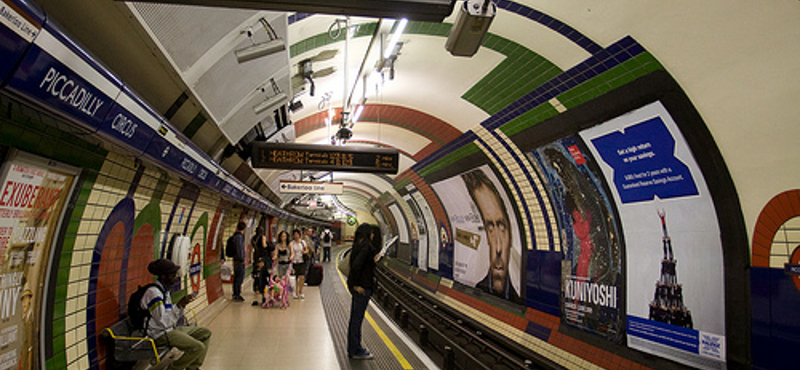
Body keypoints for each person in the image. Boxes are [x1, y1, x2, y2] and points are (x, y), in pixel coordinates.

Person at [141, 259, 211, 370]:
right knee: (198, 347)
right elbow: (163, 322)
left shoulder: (165, 291)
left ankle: (192, 367)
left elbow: (170, 316)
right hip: (160, 334)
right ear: (163, 276)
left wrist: (182, 305)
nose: (175, 277)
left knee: (205, 333)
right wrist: (178, 305)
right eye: (172, 275)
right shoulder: (154, 294)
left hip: (170, 329)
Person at [462, 169, 519, 301]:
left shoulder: (519, 299)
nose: (498, 248)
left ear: (511, 237)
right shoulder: (477, 289)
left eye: (502, 227)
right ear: (486, 236)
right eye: (490, 228)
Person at [347, 223, 381, 360]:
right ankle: (355, 350)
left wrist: (373, 260)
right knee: (357, 320)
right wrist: (355, 285)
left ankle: (354, 348)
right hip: (362, 288)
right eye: (371, 233)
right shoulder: (366, 247)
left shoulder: (358, 246)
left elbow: (359, 264)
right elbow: (356, 267)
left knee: (355, 319)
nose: (373, 235)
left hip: (359, 286)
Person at [251, 226, 274, 306]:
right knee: (263, 280)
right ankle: (264, 297)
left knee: (256, 279)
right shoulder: (262, 237)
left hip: (256, 259)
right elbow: (264, 246)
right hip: (263, 260)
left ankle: (255, 299)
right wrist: (269, 244)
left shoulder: (253, 238)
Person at [290, 229, 310, 299]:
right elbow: (291, 252)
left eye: (297, 234)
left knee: (302, 277)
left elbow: (307, 249)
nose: (296, 236)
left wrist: (305, 252)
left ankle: (301, 291)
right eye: (294, 235)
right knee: (295, 278)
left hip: (302, 261)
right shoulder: (292, 243)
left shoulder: (303, 242)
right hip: (295, 262)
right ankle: (295, 292)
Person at [230, 221, 246, 302]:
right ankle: (236, 294)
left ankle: (236, 293)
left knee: (237, 277)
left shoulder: (235, 236)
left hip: (236, 260)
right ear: (244, 228)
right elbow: (240, 250)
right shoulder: (239, 237)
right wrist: (242, 259)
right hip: (239, 261)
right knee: (239, 278)